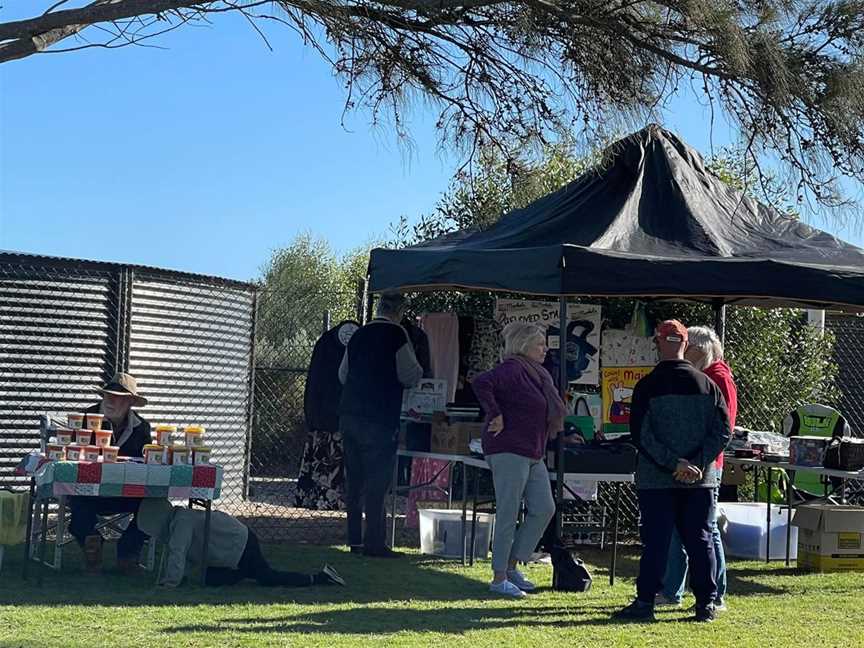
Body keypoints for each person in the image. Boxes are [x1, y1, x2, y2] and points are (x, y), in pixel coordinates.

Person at [613, 320, 730, 623]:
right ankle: (705, 604)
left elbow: (641, 435)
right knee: (700, 539)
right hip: (699, 480)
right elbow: (722, 432)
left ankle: (645, 603)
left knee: (657, 542)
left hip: (657, 480)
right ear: (685, 344)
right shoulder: (709, 386)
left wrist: (672, 463)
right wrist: (697, 462)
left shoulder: (647, 386)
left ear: (658, 344)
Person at [472, 322, 564, 598]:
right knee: (509, 512)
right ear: (524, 346)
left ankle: (511, 565)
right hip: (509, 448)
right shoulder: (513, 368)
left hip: (532, 450)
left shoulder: (537, 373)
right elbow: (481, 382)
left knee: (544, 508)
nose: (545, 349)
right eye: (539, 344)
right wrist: (495, 413)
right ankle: (499, 577)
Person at [338, 292, 423, 558]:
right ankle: (374, 542)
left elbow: (343, 375)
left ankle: (355, 540)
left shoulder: (359, 336)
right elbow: (409, 374)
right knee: (377, 483)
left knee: (355, 482)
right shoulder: (397, 335)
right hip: (379, 418)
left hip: (350, 415)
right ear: (399, 312)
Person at [658, 326, 737, 610]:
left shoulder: (717, 379)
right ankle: (672, 590)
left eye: (687, 349)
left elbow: (719, 427)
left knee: (705, 530)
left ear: (700, 351)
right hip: (694, 461)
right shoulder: (706, 377)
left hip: (704, 464)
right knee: (683, 530)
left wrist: (696, 459)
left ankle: (715, 594)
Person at [136, 499, 345, 588]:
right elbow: (185, 556)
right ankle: (242, 572)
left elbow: (177, 552)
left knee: (267, 577)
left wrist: (169, 584)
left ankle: (319, 578)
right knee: (207, 580)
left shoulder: (181, 523)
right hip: (235, 540)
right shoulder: (181, 518)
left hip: (240, 543)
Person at [69, 372, 152, 573]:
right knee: (76, 497)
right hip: (90, 492)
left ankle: (128, 551)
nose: (111, 401)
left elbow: (146, 462)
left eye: (119, 398)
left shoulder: (142, 427)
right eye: (108, 395)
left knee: (155, 504)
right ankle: (93, 547)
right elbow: (69, 453)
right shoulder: (86, 418)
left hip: (126, 493)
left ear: (130, 402)